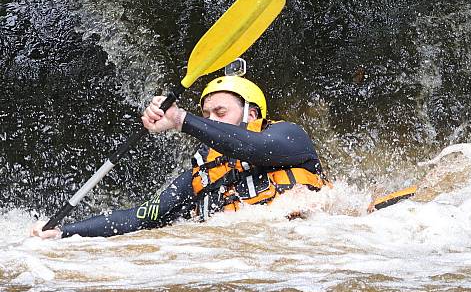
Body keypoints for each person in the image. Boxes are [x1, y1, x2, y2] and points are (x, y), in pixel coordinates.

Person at [31, 74, 327, 239]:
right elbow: (141, 217)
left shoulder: (289, 135)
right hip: (238, 259)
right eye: (206, 114)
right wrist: (64, 233)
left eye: (220, 112)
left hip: (309, 243)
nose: (211, 119)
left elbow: (255, 149)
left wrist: (182, 119)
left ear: (251, 113)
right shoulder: (203, 173)